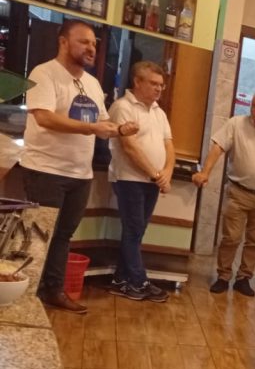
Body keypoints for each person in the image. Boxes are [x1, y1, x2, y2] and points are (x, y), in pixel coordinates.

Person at [21, 19, 138, 314]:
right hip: (45, 169)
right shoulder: (43, 73)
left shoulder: (93, 83)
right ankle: (24, 295)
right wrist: (91, 128)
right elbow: (44, 118)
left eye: (94, 43)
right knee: (38, 233)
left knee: (63, 235)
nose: (91, 48)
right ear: (63, 42)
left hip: (80, 174)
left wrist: (119, 130)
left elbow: (102, 123)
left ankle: (53, 290)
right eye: (84, 41)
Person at [193, 90, 255, 297]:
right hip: (238, 193)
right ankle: (223, 276)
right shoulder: (236, 124)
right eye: (254, 105)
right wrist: (205, 172)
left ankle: (244, 278)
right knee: (231, 238)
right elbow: (218, 148)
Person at [107, 61, 174, 303]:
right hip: (129, 179)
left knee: (136, 231)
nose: (159, 89)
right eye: (154, 83)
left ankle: (120, 280)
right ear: (137, 82)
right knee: (134, 229)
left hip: (151, 181)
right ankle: (138, 281)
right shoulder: (122, 107)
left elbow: (169, 145)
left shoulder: (158, 112)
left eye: (161, 85)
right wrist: (156, 175)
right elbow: (130, 148)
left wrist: (167, 172)